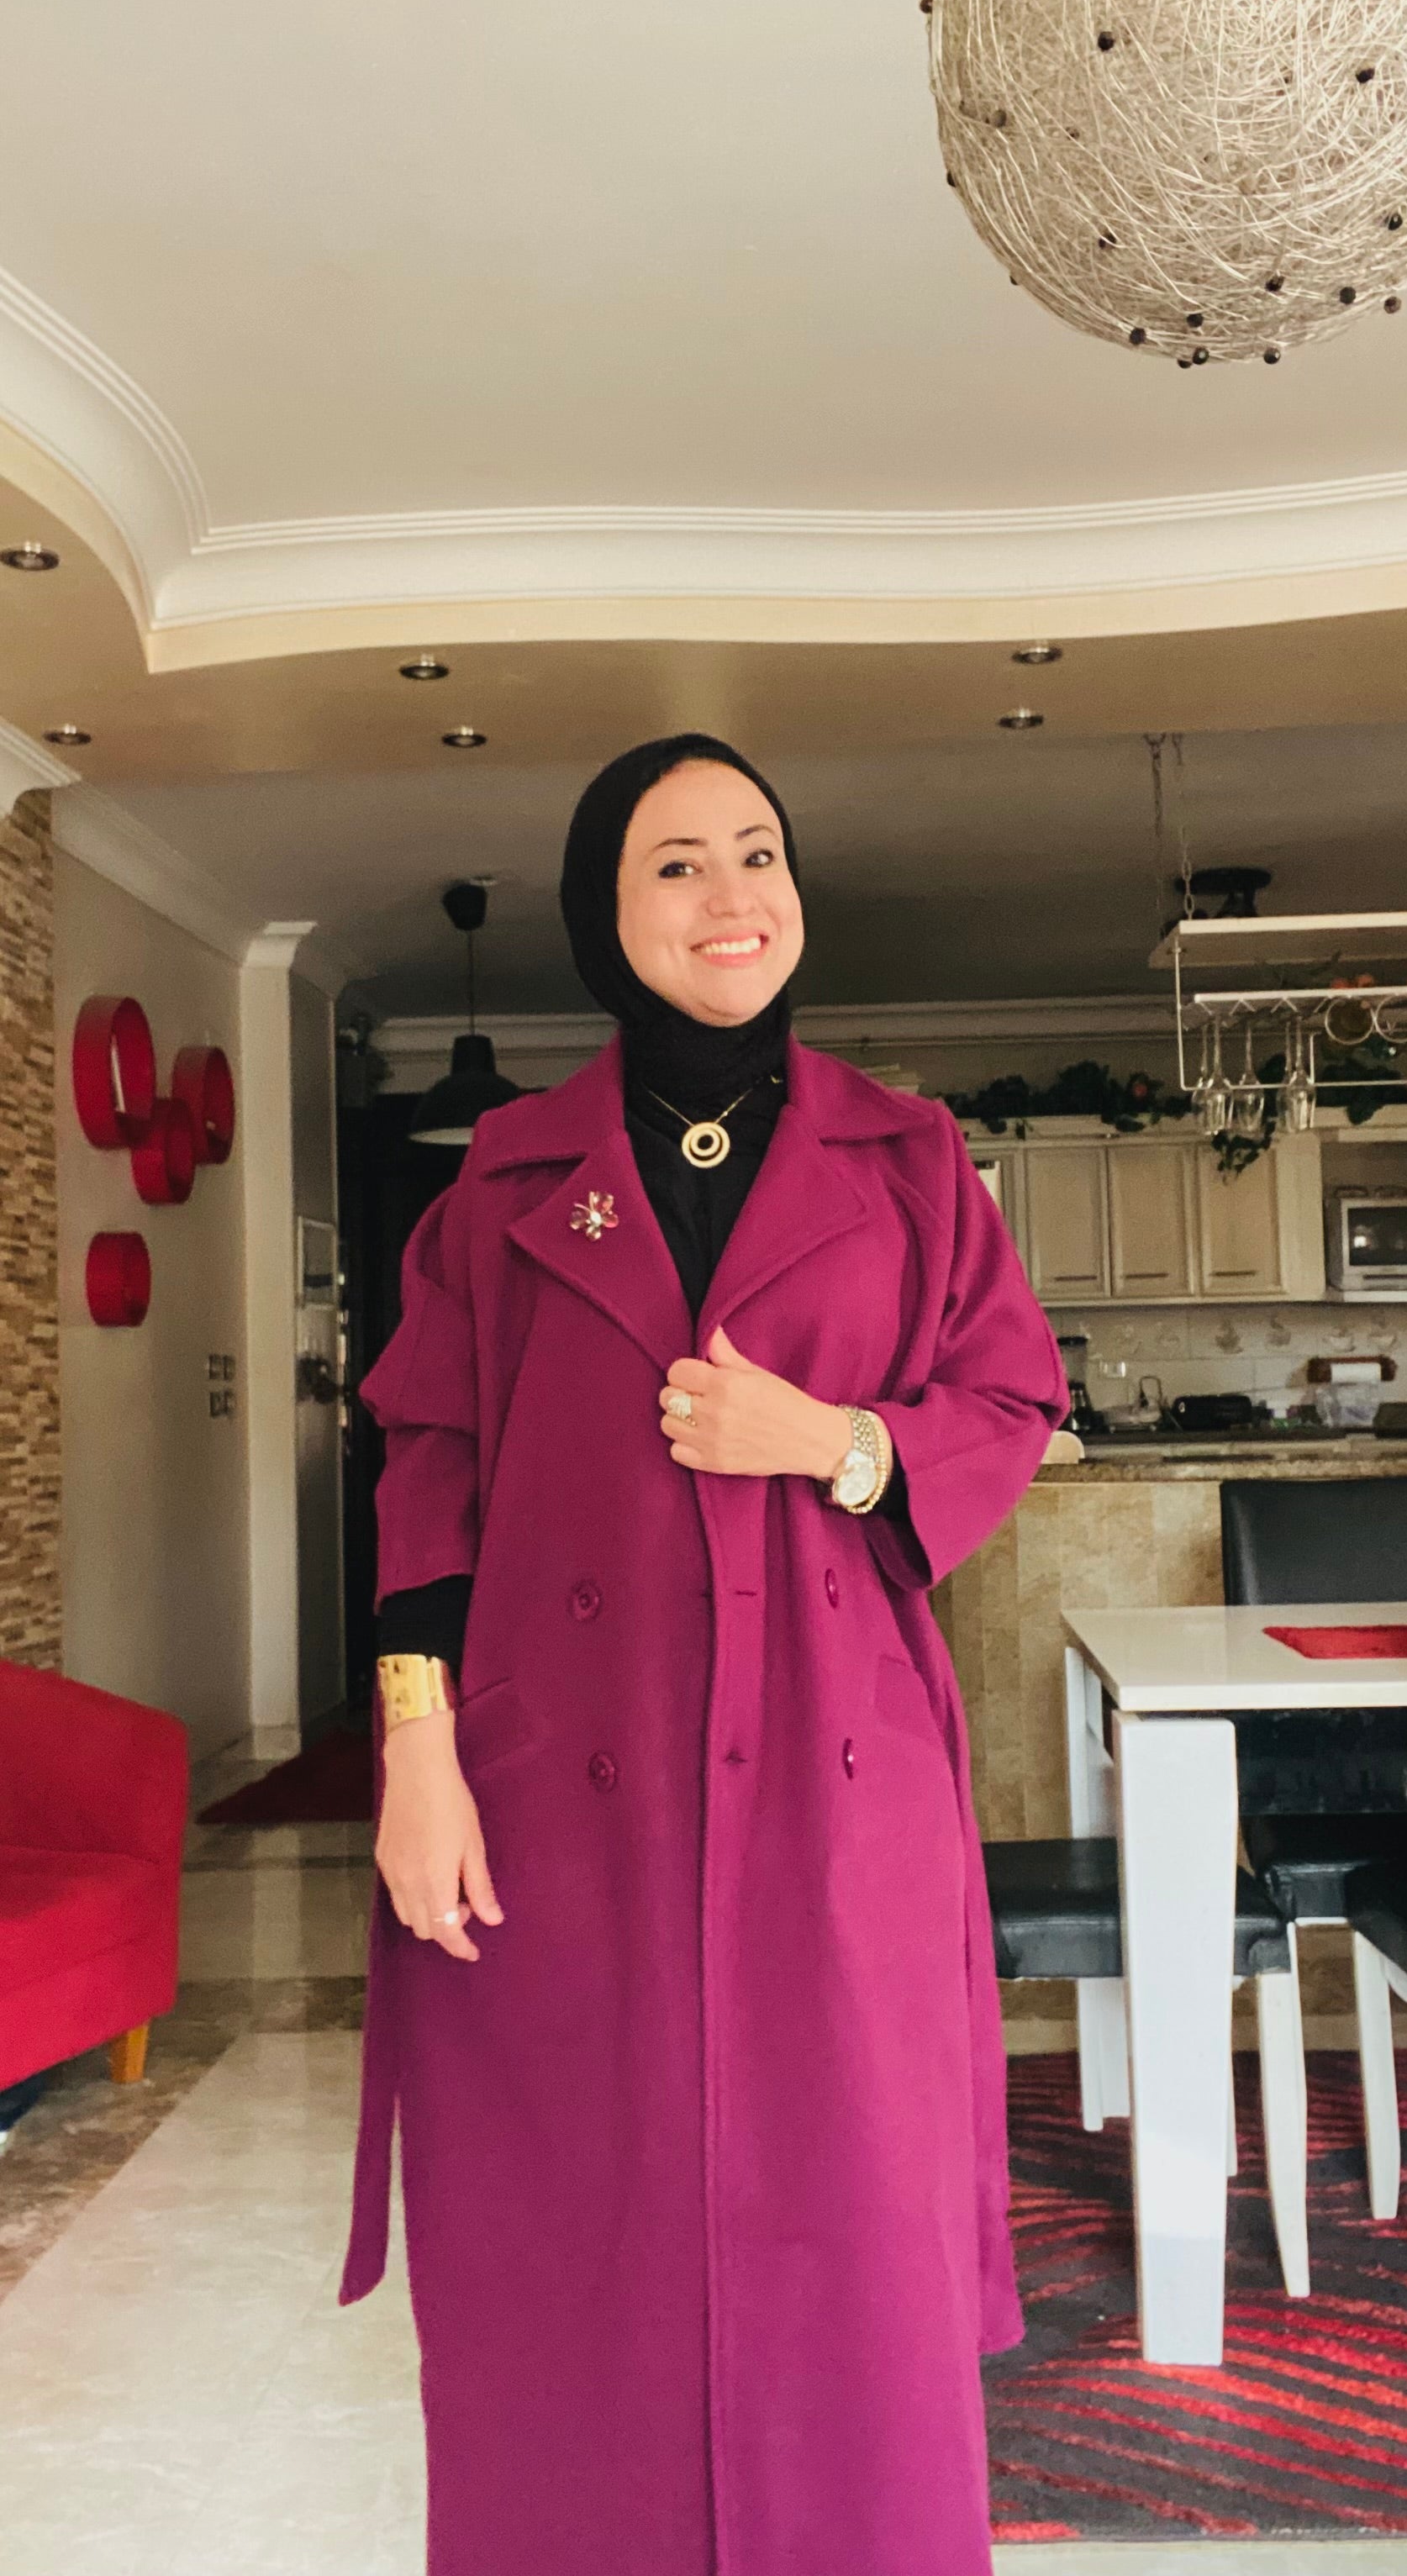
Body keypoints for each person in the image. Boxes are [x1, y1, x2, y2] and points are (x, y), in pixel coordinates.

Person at [341, 733, 1068, 2576]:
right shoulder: (502, 1181)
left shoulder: (909, 1161)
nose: (730, 895)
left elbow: (1007, 1399)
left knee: (852, 2227)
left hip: (839, 1765)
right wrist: (416, 1750)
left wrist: (832, 1440)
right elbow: (428, 1458)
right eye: (675, 862)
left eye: (758, 852)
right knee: (571, 2235)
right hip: (559, 1785)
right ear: (605, 915)